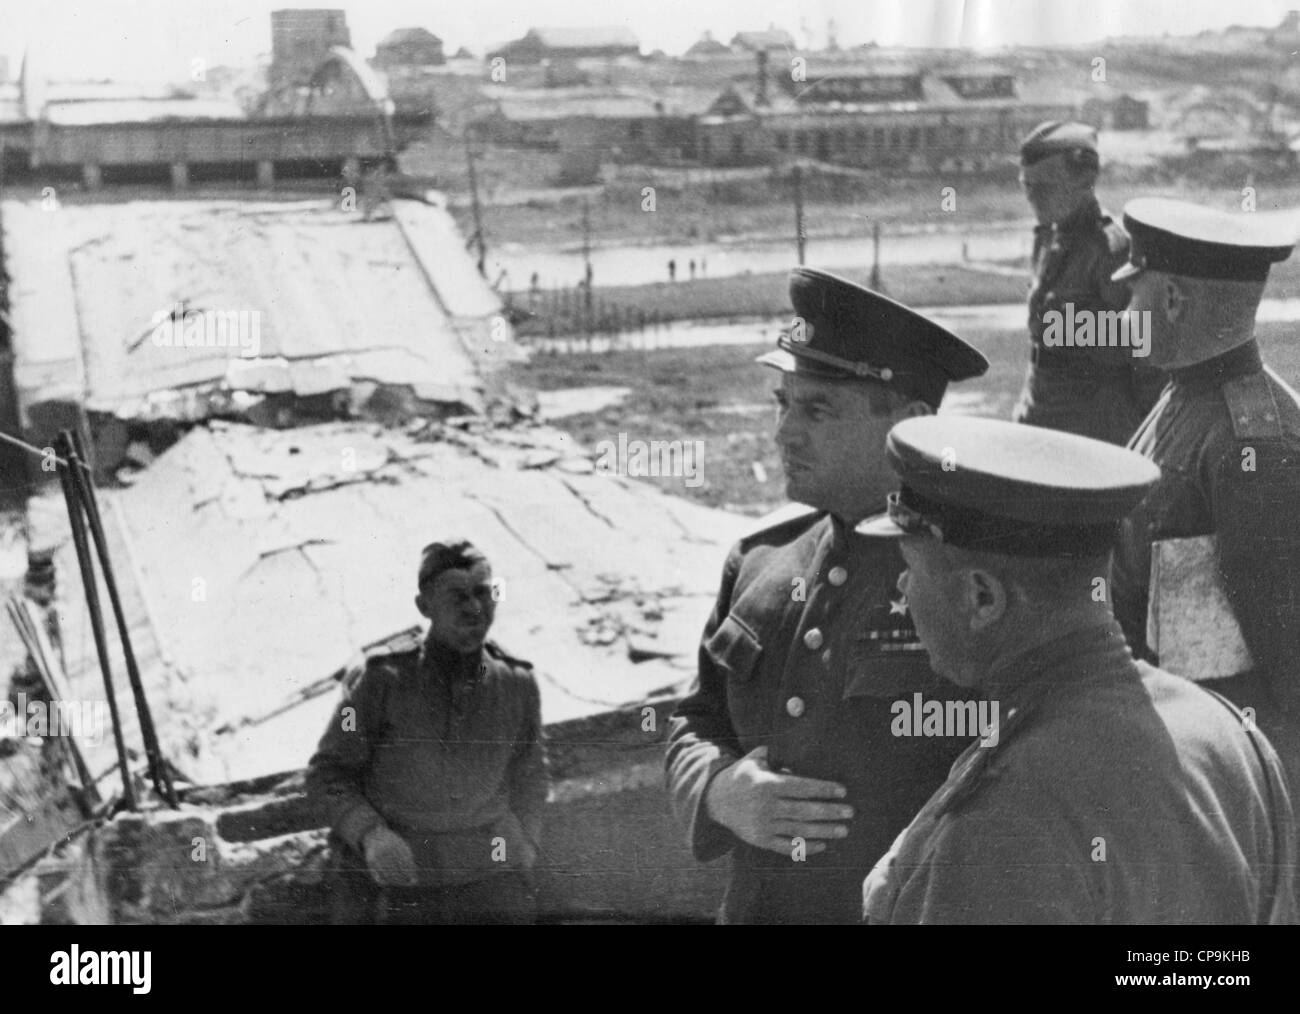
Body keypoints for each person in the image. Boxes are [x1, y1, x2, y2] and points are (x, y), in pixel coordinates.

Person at [858, 415, 1297, 924]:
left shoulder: (1004, 821)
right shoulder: (1231, 737)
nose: (903, 591)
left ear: (981, 597)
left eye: (911, 568)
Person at [665, 267, 989, 924]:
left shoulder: (971, 580)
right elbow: (694, 720)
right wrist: (722, 791)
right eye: (782, 403)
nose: (784, 433)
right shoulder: (758, 562)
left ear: (914, 425)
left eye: (817, 410)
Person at [1110, 197, 1300, 799]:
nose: (1124, 312)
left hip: (1223, 774)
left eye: (1133, 295)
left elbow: (1285, 656)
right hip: (1177, 744)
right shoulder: (1185, 398)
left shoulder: (1253, 441)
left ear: (1172, 299)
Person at [306, 539, 547, 924]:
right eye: (457, 596)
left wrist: (526, 838)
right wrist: (371, 835)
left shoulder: (516, 683)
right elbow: (328, 774)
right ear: (425, 607)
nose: (474, 607)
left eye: (483, 593)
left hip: (487, 873)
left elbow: (531, 772)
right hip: (399, 874)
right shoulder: (381, 680)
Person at [1012, 121, 1165, 445]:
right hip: (1040, 415)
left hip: (1093, 430)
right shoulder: (1047, 239)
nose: (1033, 198)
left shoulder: (1113, 251)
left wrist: (1152, 441)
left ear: (1085, 180)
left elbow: (1145, 354)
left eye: (1045, 187)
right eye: (1028, 186)